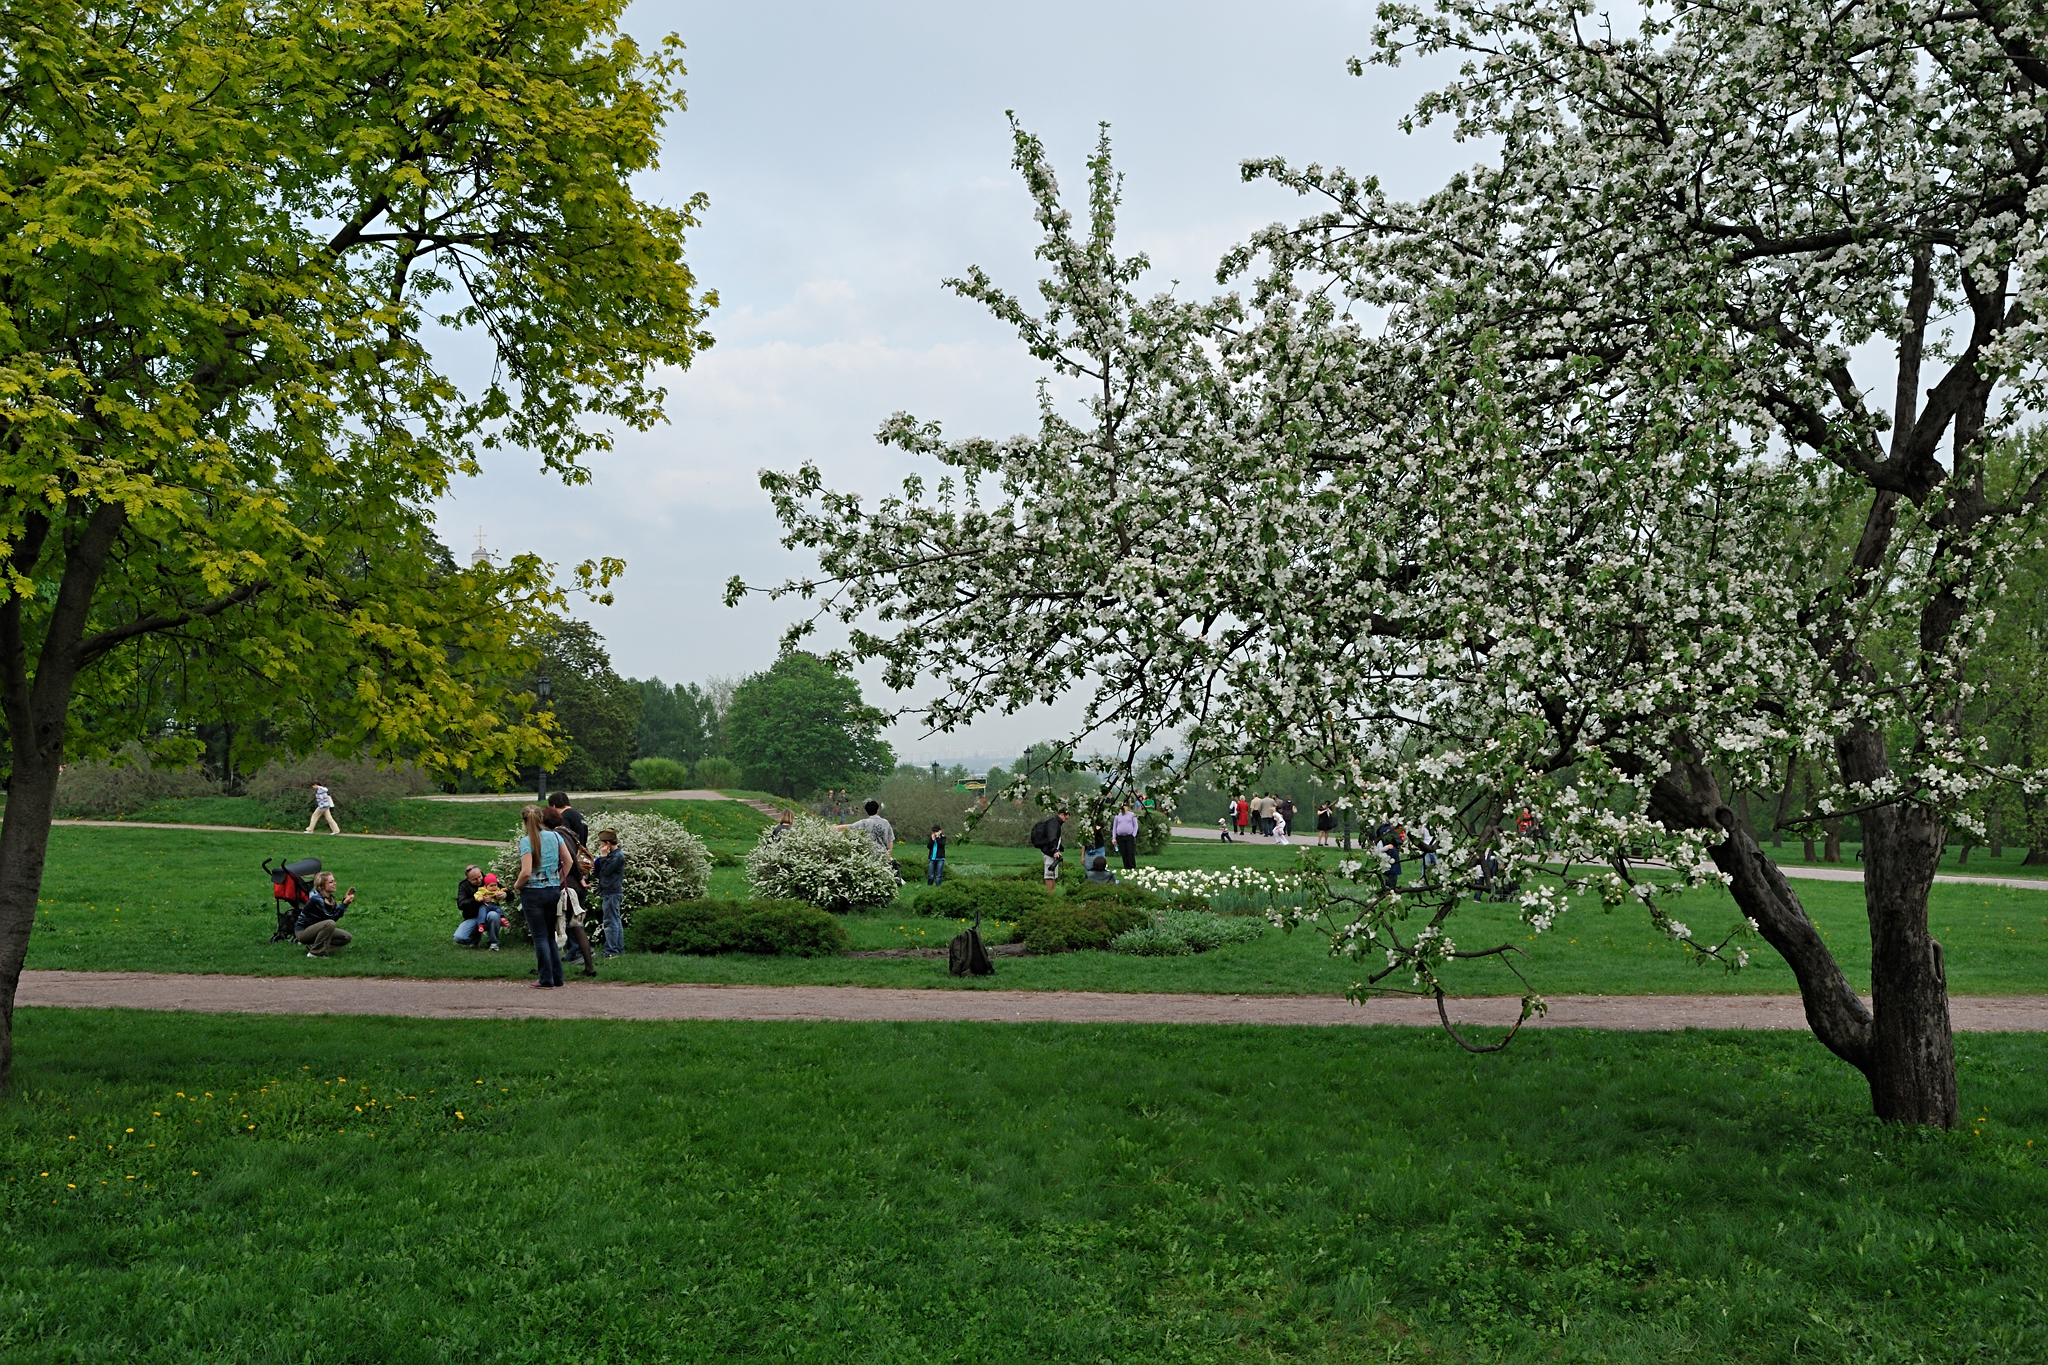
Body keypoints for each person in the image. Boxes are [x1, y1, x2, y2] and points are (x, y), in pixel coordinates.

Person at [515, 803, 570, 988]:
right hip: (552, 889)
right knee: (549, 935)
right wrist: (560, 879)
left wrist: (517, 885)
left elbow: (526, 871)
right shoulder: (555, 836)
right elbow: (568, 860)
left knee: (539, 937)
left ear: (524, 821)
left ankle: (546, 978)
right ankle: (558, 976)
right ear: (541, 819)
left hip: (532, 892)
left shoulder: (526, 841)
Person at [546, 807, 599, 977]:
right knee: (577, 925)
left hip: (567, 886)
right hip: (575, 886)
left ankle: (548, 967)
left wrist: (575, 877)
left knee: (553, 925)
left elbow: (569, 861)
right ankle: (588, 966)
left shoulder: (556, 836)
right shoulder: (569, 834)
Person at [296, 872, 355, 957]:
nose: (335, 884)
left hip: (317, 929)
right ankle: (315, 953)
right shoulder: (316, 899)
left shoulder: (330, 898)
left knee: (346, 937)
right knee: (330, 924)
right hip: (303, 932)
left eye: (334, 881)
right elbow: (331, 919)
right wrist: (344, 904)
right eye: (331, 882)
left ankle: (315, 948)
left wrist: (344, 901)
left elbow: (336, 913)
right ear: (322, 886)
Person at [592, 829, 626, 959]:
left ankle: (612, 950)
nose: (601, 847)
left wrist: (604, 857)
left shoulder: (617, 857)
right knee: (615, 920)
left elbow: (605, 871)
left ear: (607, 843)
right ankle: (617, 948)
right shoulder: (614, 856)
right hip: (609, 891)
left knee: (610, 922)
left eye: (602, 844)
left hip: (611, 892)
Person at [454, 865, 505, 950]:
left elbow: (509, 894)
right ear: (468, 879)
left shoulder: (488, 880)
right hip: (473, 917)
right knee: (459, 937)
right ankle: (475, 938)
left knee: (493, 915)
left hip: (489, 914)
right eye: (474, 879)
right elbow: (461, 904)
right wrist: (478, 900)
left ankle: (493, 943)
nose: (479, 880)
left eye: (479, 876)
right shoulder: (464, 885)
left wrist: (504, 894)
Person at [1031, 809, 1069, 890]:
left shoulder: (1055, 822)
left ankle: (1052, 895)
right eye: (1066, 818)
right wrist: (1054, 850)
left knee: (1053, 875)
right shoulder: (1054, 823)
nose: (1066, 821)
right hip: (1049, 852)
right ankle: (1050, 896)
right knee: (1049, 875)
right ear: (1062, 815)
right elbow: (1052, 837)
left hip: (1051, 850)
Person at [1112, 801, 1140, 871]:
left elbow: (1135, 825)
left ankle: (1132, 866)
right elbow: (1114, 827)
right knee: (1123, 852)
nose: (1124, 808)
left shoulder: (1132, 815)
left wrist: (1133, 835)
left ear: (1128, 807)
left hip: (1129, 836)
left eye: (1125, 806)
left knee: (1130, 851)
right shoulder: (1117, 816)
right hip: (1120, 836)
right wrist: (1114, 837)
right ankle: (1126, 865)